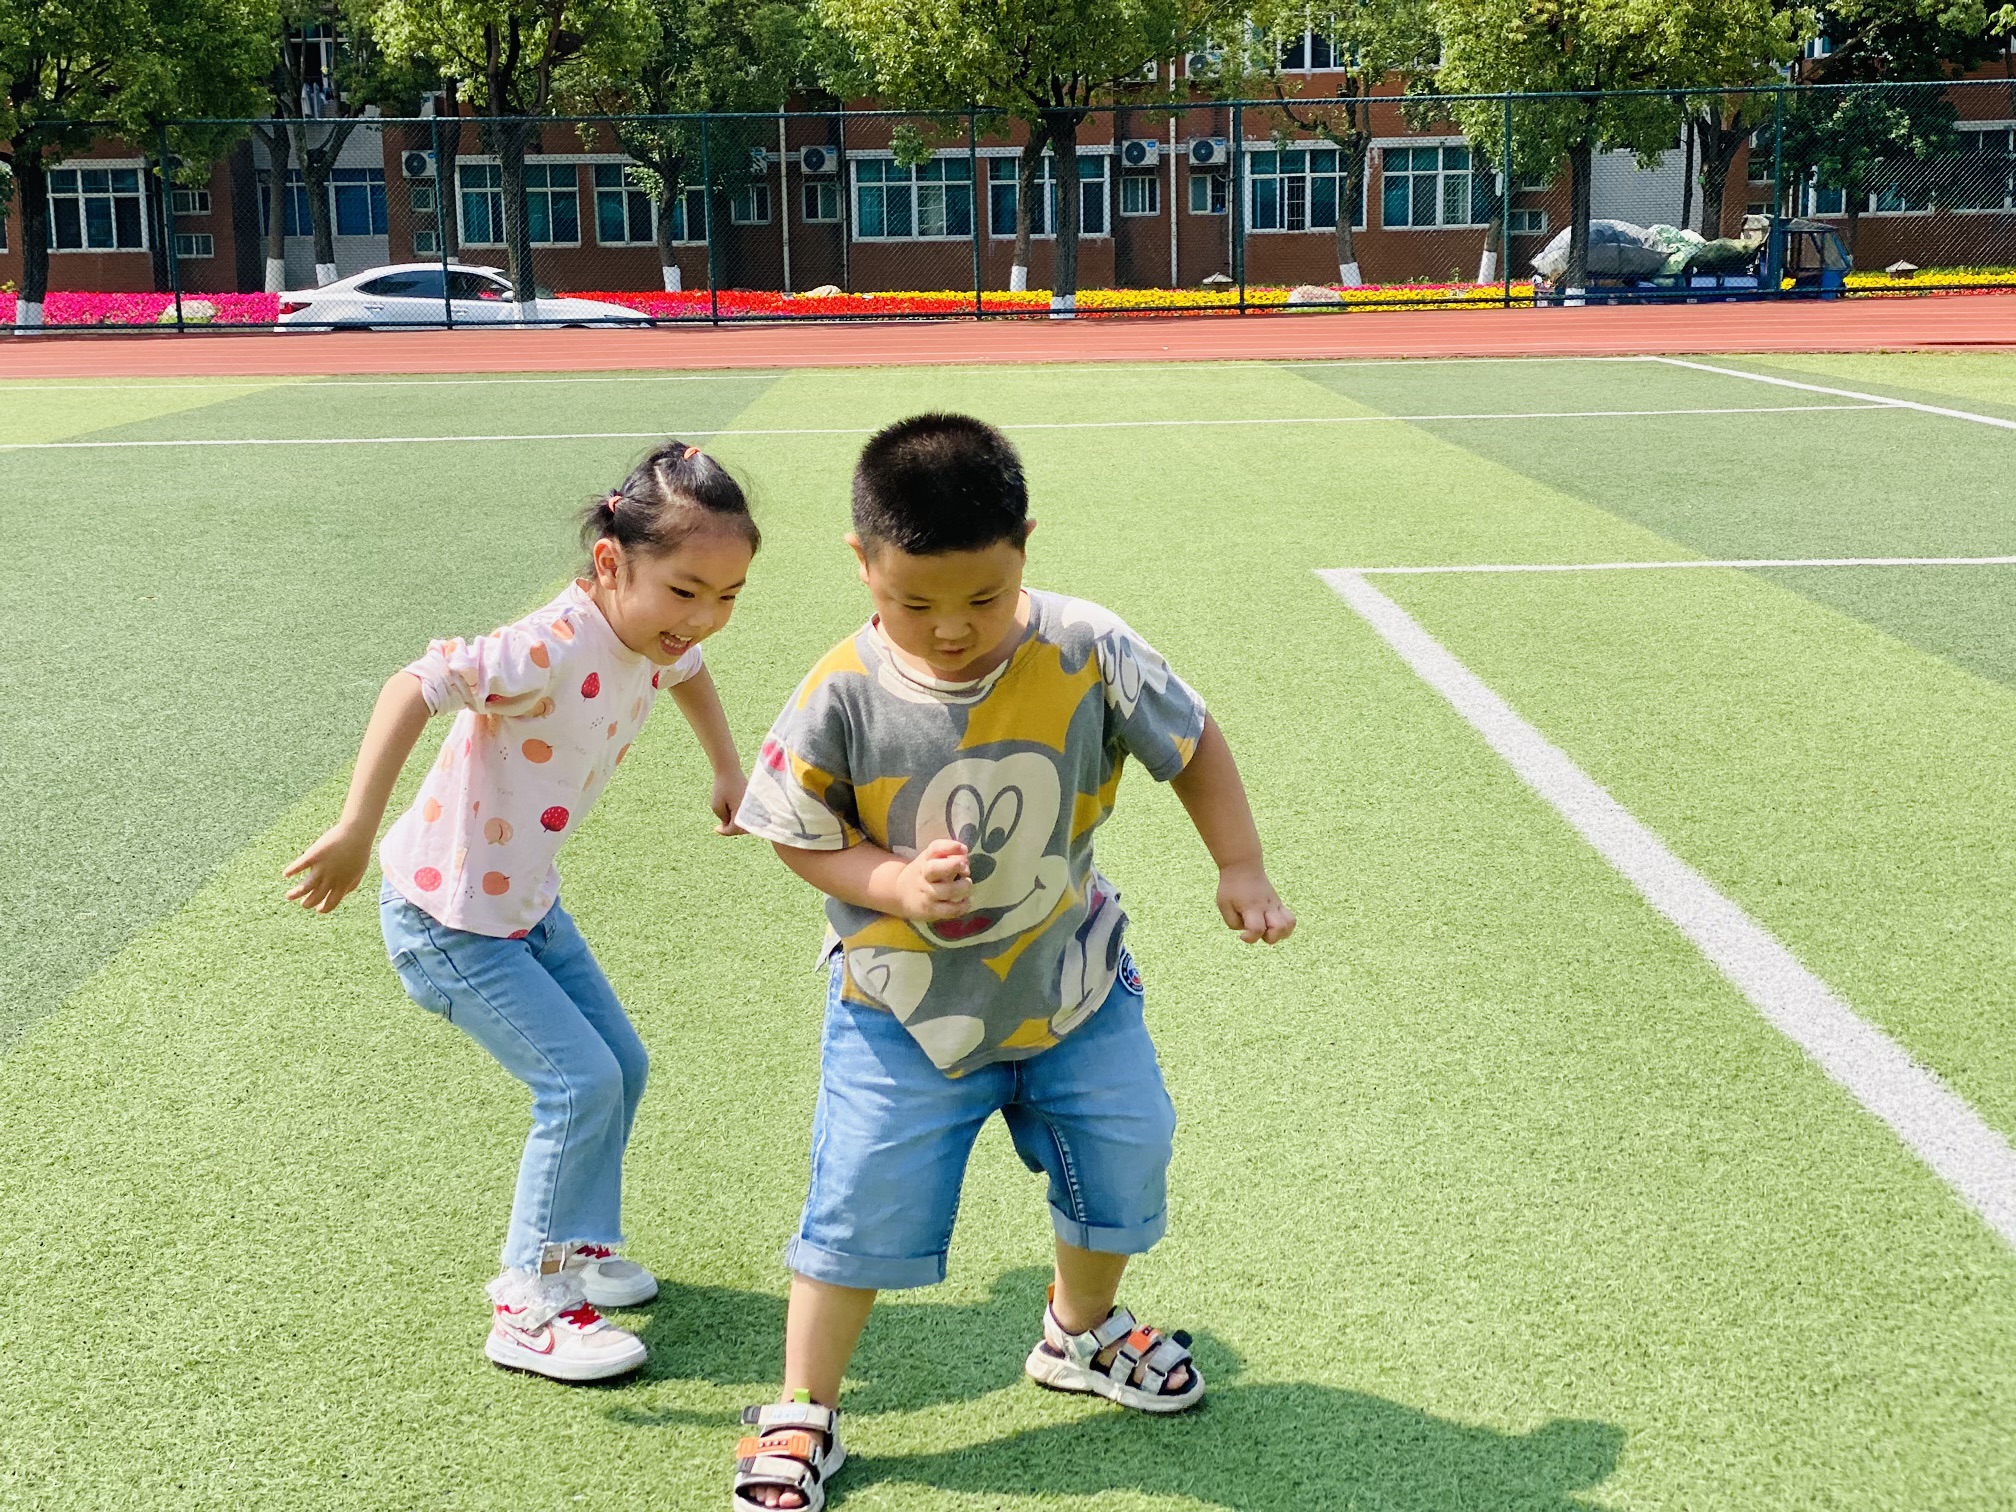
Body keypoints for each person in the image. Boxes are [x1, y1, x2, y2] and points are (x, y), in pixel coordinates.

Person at [729, 414, 1295, 1510]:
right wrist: (891, 883)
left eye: (983, 599)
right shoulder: (840, 689)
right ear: (862, 563)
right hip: (902, 1010)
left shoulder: (1088, 647)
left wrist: (1241, 864)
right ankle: (803, 1404)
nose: (951, 630)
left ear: (1025, 547)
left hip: (1073, 988)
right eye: (916, 604)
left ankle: (1079, 1332)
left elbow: (1192, 740)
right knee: (857, 1203)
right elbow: (796, 830)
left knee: (1128, 1151)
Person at [281, 440, 757, 1383]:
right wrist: (355, 825)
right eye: (685, 591)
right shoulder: (547, 646)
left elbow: (691, 669)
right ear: (612, 563)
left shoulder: (652, 640)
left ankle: (576, 1248)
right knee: (578, 1083)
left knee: (621, 1066)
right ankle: (527, 1304)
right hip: (450, 920)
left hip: (524, 907)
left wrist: (727, 767)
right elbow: (415, 684)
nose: (703, 618)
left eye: (728, 595)